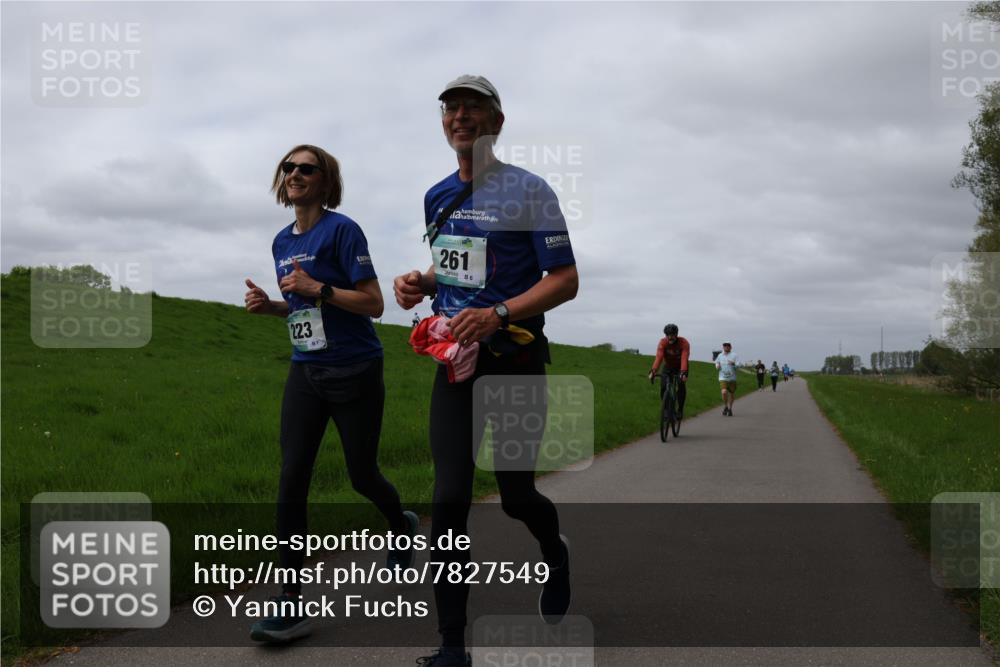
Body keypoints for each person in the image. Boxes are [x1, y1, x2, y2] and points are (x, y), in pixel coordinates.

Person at [394, 75, 579, 667]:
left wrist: (498, 313)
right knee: (449, 498)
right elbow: (454, 269)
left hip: (516, 360)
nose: (460, 116)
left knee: (517, 494)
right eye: (451, 108)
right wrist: (419, 282)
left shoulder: (531, 190)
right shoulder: (436, 195)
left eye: (473, 107)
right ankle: (452, 645)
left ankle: (555, 552)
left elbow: (565, 280)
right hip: (456, 365)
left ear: (497, 121)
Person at [243, 144, 418, 643]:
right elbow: (304, 305)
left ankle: (400, 524)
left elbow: (373, 303)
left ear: (325, 180)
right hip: (306, 370)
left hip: (356, 368)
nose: (295, 174)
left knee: (362, 475)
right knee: (292, 477)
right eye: (289, 167)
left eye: (307, 168)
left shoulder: (343, 230)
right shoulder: (281, 240)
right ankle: (290, 601)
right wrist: (272, 307)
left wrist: (317, 287)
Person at [647, 323, 690, 419]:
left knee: (681, 384)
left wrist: (683, 372)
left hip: (681, 367)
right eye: (668, 335)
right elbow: (659, 357)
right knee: (663, 386)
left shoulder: (684, 343)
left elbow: (684, 358)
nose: (670, 337)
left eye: (672, 335)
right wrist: (653, 370)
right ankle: (666, 410)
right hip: (668, 366)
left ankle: (680, 410)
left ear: (676, 334)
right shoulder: (663, 343)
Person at [715, 342, 739, 416]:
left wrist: (733, 364)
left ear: (730, 347)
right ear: (723, 347)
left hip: (732, 378)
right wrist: (717, 366)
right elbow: (716, 362)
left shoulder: (734, 355)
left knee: (731, 394)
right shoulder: (720, 355)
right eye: (725, 346)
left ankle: (730, 409)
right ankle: (725, 406)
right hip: (723, 377)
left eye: (728, 346)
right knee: (724, 392)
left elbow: (739, 365)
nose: (726, 347)